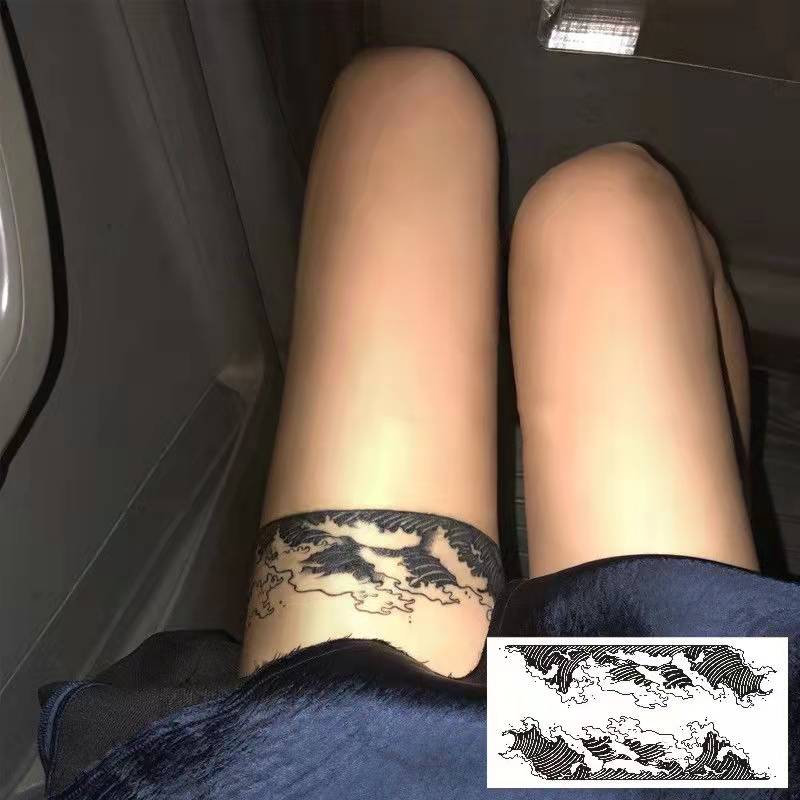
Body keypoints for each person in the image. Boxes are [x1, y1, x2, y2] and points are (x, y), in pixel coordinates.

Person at [37, 46, 797, 799]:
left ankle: (722, 511)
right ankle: (728, 503)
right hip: (638, 770)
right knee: (613, 201)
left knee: (416, 95)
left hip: (329, 756)